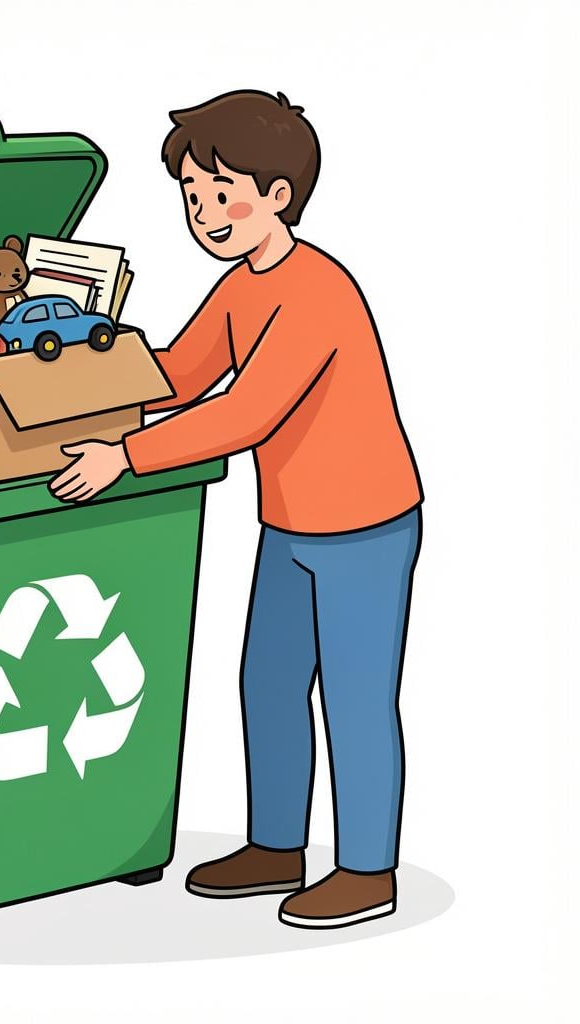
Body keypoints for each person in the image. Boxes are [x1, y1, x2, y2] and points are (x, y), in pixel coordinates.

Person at [49, 89, 423, 929]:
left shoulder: (317, 290)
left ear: (278, 194)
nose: (206, 212)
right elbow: (180, 374)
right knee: (269, 682)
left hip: (365, 525)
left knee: (356, 698)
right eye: (192, 195)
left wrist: (126, 455)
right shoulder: (239, 287)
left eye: (223, 193)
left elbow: (245, 412)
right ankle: (276, 847)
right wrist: (77, 378)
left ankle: (368, 871)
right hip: (290, 522)